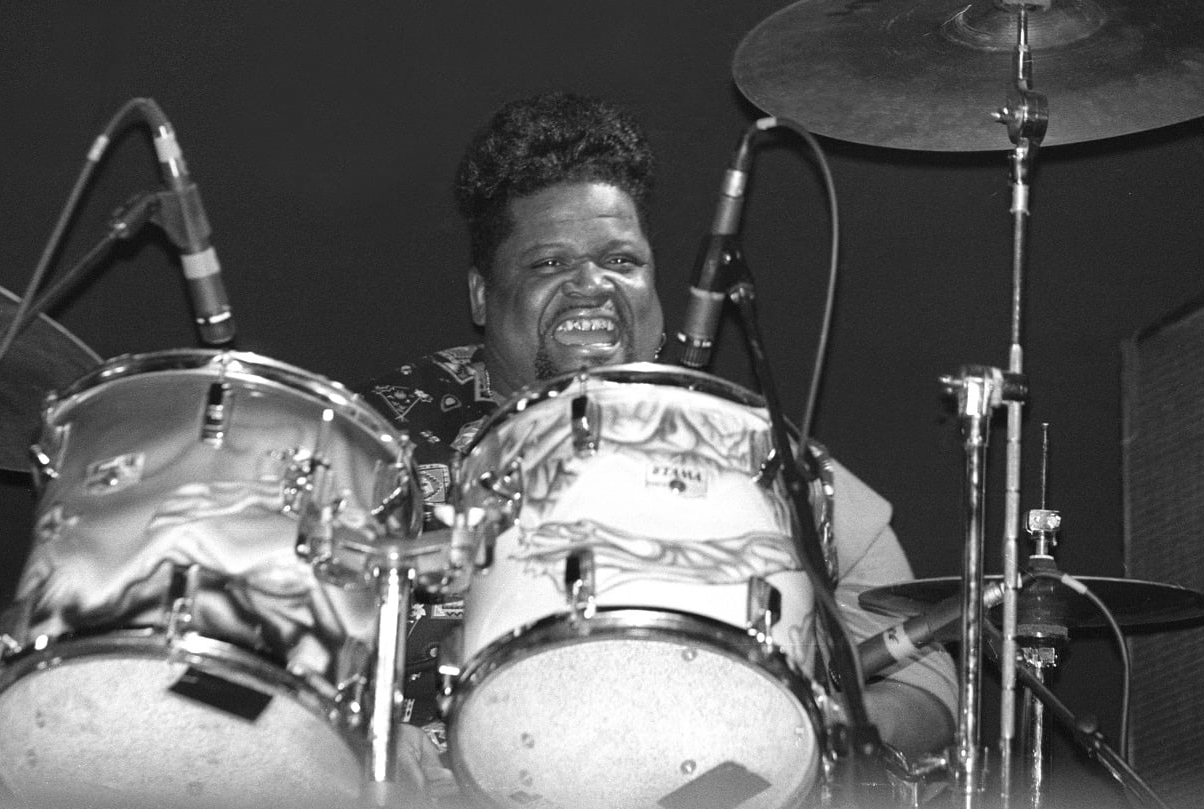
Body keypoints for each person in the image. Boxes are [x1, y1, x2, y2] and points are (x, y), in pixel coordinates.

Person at [360, 91, 957, 805]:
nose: (591, 283)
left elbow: (924, 671)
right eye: (549, 263)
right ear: (483, 296)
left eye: (620, 258)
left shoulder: (750, 446)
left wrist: (834, 732)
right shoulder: (379, 438)